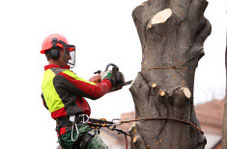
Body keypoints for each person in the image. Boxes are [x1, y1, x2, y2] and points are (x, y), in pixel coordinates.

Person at [40, 33, 123, 149]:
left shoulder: (47, 79)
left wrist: (92, 83)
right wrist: (108, 79)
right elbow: (95, 92)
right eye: (67, 52)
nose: (69, 57)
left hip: (65, 133)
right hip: (76, 131)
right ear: (55, 52)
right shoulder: (62, 75)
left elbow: (56, 101)